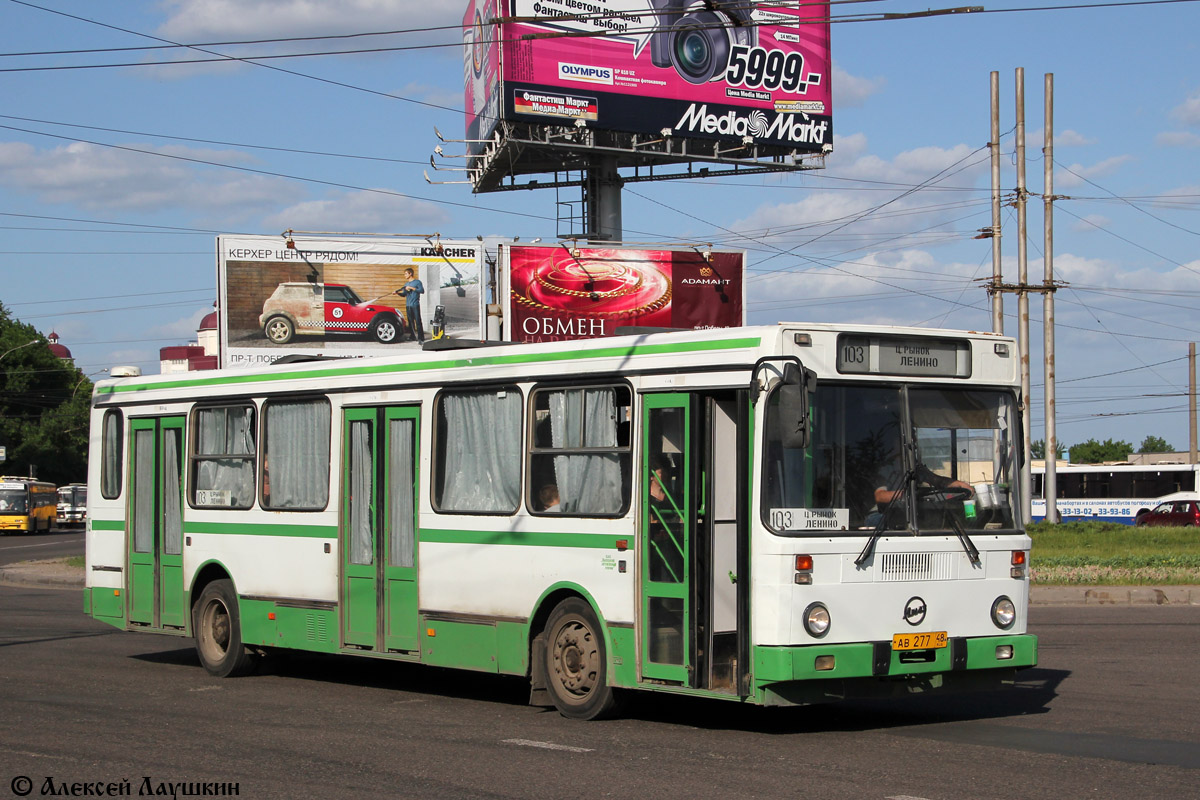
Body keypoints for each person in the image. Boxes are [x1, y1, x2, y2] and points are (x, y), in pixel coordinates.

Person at [396, 268, 425, 344]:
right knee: (410, 322)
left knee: (418, 321)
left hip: (415, 305)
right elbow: (404, 294)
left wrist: (412, 288)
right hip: (408, 305)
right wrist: (397, 293)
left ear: (410, 274)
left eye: (406, 273)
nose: (404, 275)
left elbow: (422, 291)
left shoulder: (417, 282)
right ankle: (412, 336)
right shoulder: (406, 284)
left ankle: (421, 338)